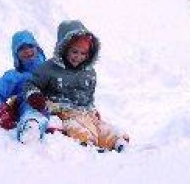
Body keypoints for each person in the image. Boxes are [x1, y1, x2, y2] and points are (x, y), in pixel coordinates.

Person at [23, 19, 130, 152]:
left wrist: (92, 108)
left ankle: (117, 142)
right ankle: (88, 146)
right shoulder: (49, 68)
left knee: (101, 127)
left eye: (83, 53)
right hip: (62, 112)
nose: (78, 57)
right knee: (77, 128)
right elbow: (30, 83)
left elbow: (88, 95)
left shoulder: (89, 72)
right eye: (74, 52)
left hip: (85, 112)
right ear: (64, 49)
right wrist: (34, 95)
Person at [0, 30, 49, 142]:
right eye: (21, 48)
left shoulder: (52, 69)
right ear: (16, 54)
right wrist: (0, 110)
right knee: (29, 103)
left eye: (30, 46)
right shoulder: (15, 76)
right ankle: (31, 126)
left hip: (59, 107)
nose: (27, 51)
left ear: (37, 48)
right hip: (32, 107)